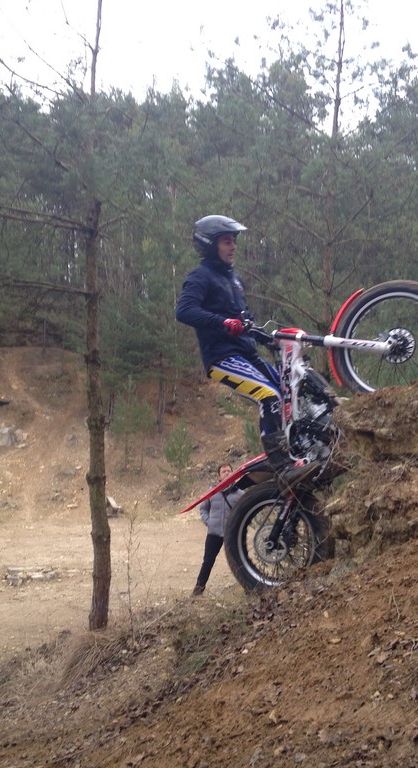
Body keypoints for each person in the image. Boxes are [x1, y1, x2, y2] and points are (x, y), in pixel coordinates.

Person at [175, 214, 317, 491]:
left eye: (234, 241)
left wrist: (267, 339)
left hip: (247, 353)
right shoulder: (200, 277)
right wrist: (222, 322)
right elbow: (184, 311)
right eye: (227, 241)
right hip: (222, 358)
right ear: (210, 245)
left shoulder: (234, 279)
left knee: (287, 392)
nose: (233, 247)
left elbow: (245, 320)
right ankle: (281, 465)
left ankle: (296, 448)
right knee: (269, 395)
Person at [192, 463, 242, 596]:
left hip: (231, 534)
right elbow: (203, 509)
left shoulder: (239, 493)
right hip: (214, 533)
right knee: (208, 561)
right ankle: (198, 589)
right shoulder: (212, 491)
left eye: (229, 471)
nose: (227, 473)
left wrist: (237, 526)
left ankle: (248, 588)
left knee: (238, 561)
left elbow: (244, 513)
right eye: (224, 471)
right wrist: (209, 522)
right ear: (219, 476)